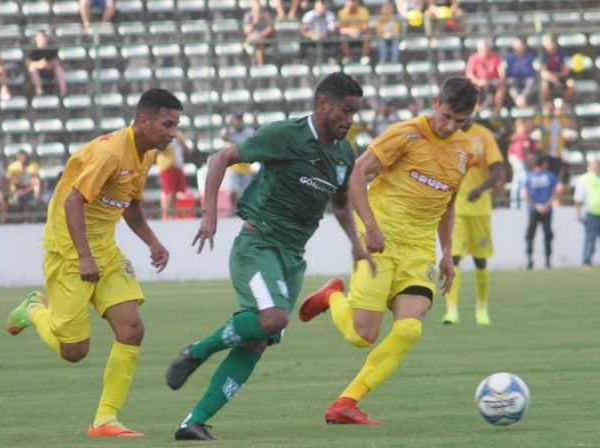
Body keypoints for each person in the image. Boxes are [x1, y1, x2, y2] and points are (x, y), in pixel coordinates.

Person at [163, 73, 366, 441]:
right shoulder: (286, 134)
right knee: (273, 318)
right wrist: (209, 215)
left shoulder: (343, 153)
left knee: (258, 340)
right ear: (323, 104)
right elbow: (221, 158)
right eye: (346, 111)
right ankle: (197, 351)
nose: (351, 120)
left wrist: (355, 242)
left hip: (292, 258)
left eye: (355, 112)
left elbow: (339, 203)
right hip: (259, 244)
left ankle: (192, 423)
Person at [297, 77, 479, 425]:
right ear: (435, 103)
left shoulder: (464, 150)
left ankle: (346, 401)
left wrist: (447, 253)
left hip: (419, 248)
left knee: (410, 329)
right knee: (362, 336)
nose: (450, 126)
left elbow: (448, 202)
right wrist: (370, 225)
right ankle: (333, 295)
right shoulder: (406, 134)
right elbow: (357, 173)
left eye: (460, 120)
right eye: (446, 116)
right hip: (380, 238)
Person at [4, 89, 179, 437]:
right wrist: (84, 254)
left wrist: (152, 241)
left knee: (132, 329)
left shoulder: (145, 156)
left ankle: (105, 419)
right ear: (143, 120)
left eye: (175, 125)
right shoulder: (110, 153)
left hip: (105, 249)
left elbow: (130, 206)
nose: (173, 133)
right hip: (70, 249)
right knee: (74, 351)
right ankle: (33, 310)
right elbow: (74, 202)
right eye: (167, 124)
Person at [442, 120, 504, 325]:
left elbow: (498, 171)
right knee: (453, 258)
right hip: (455, 209)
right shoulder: (449, 135)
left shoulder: (483, 135)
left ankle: (482, 308)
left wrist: (480, 189)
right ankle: (451, 310)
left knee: (480, 260)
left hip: (479, 210)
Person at [575, 160, 600, 267]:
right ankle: (586, 260)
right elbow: (578, 197)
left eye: (599, 166)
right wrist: (578, 213)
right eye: (595, 166)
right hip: (591, 214)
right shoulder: (584, 178)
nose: (598, 168)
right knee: (590, 239)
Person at [524, 153, 558, 269]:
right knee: (542, 234)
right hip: (543, 209)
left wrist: (538, 206)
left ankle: (532, 259)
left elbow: (527, 195)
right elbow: (554, 192)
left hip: (535, 209)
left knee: (534, 235)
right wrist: (545, 205)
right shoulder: (549, 176)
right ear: (544, 163)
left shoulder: (530, 177)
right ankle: (544, 260)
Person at [221, 113, 256, 208]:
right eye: (237, 120)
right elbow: (224, 138)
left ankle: (244, 210)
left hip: (245, 165)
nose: (239, 122)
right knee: (233, 190)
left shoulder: (248, 131)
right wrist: (228, 125)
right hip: (233, 166)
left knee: (246, 192)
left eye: (240, 120)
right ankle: (234, 210)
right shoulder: (229, 131)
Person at [156, 131, 190, 220]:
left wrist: (180, 140)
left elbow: (187, 150)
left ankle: (172, 216)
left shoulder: (179, 135)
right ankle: (167, 217)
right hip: (167, 167)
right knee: (170, 193)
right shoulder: (163, 135)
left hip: (178, 167)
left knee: (174, 193)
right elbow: (157, 151)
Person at [466, 39, 503, 114]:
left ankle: (497, 108)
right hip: (478, 81)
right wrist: (478, 81)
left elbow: (501, 72)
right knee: (470, 86)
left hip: (492, 80)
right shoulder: (473, 58)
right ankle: (476, 107)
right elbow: (469, 74)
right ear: (478, 50)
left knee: (502, 86)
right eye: (482, 49)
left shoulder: (495, 56)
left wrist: (501, 79)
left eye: (486, 48)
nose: (484, 51)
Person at [26, 30, 67, 97]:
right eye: (40, 38)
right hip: (38, 71)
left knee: (58, 68)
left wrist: (50, 64)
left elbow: (57, 60)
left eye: (43, 37)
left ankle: (63, 91)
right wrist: (38, 64)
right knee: (32, 68)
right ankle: (39, 90)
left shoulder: (51, 46)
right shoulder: (32, 48)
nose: (42, 40)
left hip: (50, 70)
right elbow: (27, 62)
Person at [7, 150, 42, 222]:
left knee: (28, 201)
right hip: (18, 189)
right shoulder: (13, 167)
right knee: (15, 201)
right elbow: (12, 182)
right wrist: (14, 192)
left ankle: (27, 220)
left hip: (30, 189)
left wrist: (26, 191)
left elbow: (35, 182)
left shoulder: (32, 166)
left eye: (23, 157)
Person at [500, 37, 536, 108]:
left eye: (520, 46)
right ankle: (518, 100)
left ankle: (522, 98)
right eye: (516, 46)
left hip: (527, 78)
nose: (518, 48)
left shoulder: (530, 56)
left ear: (524, 47)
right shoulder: (509, 57)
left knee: (531, 81)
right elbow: (504, 69)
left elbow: (533, 70)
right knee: (510, 82)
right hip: (514, 78)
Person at [507, 118, 534, 208]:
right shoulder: (521, 134)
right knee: (524, 182)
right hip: (519, 160)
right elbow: (525, 148)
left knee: (516, 182)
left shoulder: (520, 134)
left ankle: (514, 205)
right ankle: (524, 204)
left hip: (516, 159)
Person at [540, 35, 576, 104]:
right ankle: (548, 103)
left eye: (551, 44)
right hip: (549, 79)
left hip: (561, 78)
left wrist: (557, 77)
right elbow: (543, 73)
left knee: (571, 84)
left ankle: (564, 102)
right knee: (543, 85)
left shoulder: (562, 54)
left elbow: (565, 71)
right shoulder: (543, 56)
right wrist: (554, 79)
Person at [338, 0, 372, 64]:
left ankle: (365, 57)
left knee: (367, 33)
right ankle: (347, 58)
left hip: (361, 33)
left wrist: (357, 30)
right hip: (348, 35)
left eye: (354, 1)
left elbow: (366, 26)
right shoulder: (342, 12)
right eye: (350, 1)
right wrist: (350, 31)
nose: (352, 3)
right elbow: (341, 29)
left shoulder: (364, 11)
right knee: (343, 36)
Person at [243, 1, 276, 66]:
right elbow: (246, 31)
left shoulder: (266, 14)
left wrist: (260, 35)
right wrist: (255, 21)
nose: (257, 7)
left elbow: (270, 29)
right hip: (252, 39)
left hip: (264, 38)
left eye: (258, 6)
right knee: (257, 42)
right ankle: (259, 65)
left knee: (259, 42)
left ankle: (260, 66)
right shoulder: (248, 16)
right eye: (255, 6)